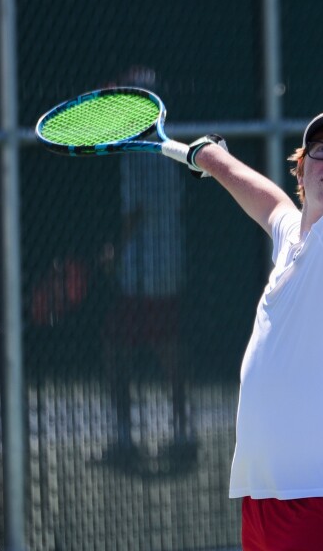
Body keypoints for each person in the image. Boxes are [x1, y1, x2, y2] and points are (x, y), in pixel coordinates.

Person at [163, 57, 323, 549]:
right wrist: (208, 158)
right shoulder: (292, 236)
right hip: (268, 492)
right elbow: (266, 199)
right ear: (302, 167)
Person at [101, 66, 196, 471]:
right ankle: (181, 433)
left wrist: (113, 251)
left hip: (144, 272)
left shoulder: (141, 150)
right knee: (167, 351)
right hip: (163, 268)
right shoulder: (168, 144)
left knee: (117, 350)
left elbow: (137, 211)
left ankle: (127, 437)